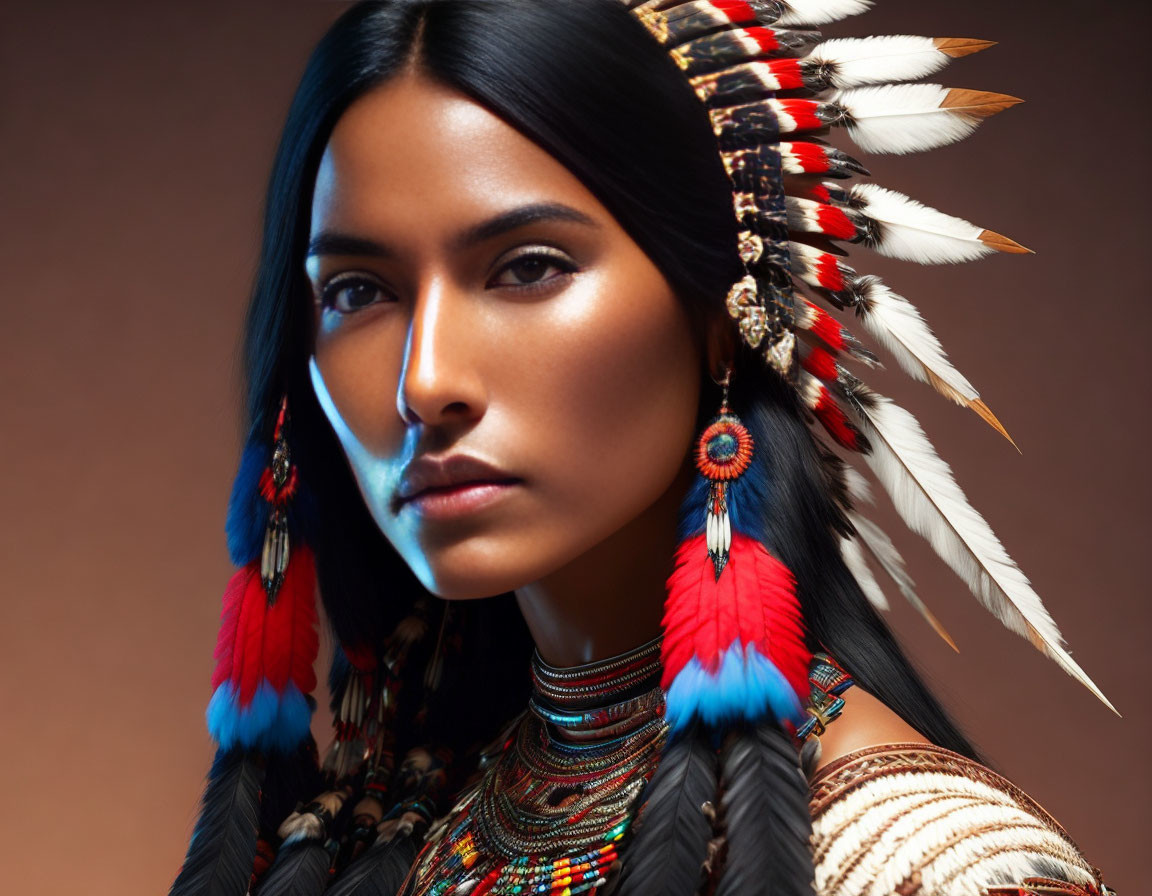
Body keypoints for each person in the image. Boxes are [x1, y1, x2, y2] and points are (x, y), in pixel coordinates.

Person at [169, 2, 1116, 895]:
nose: (424, 382)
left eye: (528, 267)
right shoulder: (425, 818)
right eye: (357, 292)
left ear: (718, 317)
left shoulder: (924, 864)